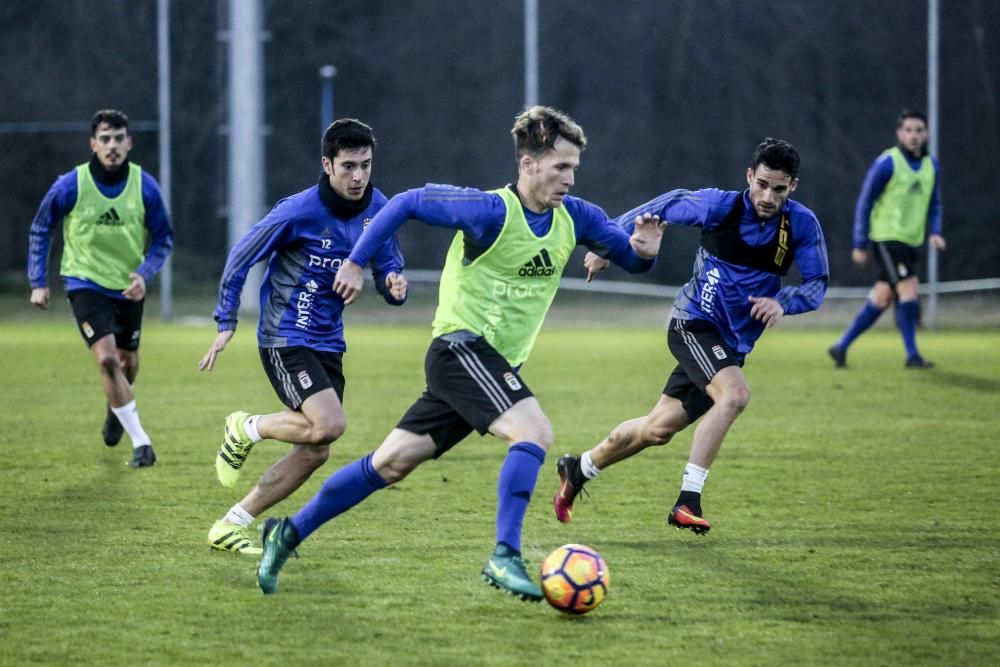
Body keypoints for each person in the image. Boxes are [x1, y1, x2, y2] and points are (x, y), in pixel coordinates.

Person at [254, 105, 665, 600]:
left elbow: (633, 260)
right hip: (459, 349)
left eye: (574, 167)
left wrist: (645, 250)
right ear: (529, 164)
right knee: (533, 432)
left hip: (489, 367)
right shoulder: (488, 211)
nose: (570, 178)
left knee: (390, 464)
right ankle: (505, 555)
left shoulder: (577, 218)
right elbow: (405, 203)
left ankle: (288, 532)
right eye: (561, 166)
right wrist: (358, 262)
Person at [553, 138, 829, 535]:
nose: (768, 196)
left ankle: (578, 468)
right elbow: (663, 206)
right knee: (734, 396)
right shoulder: (720, 206)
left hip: (730, 347)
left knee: (657, 429)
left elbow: (817, 282)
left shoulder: (800, 225)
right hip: (693, 323)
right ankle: (688, 500)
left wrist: (784, 301)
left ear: (793, 187)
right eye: (762, 184)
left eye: (779, 189)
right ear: (749, 176)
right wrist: (608, 243)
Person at [198, 118, 407, 555]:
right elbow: (241, 256)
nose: (358, 176)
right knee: (330, 424)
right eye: (348, 166)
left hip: (329, 342)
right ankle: (246, 427)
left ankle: (231, 523)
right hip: (285, 335)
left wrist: (393, 284)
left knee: (317, 449)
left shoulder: (380, 209)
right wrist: (225, 320)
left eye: (366, 165)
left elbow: (387, 265)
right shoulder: (299, 210)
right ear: (327, 164)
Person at [27, 109, 173, 468]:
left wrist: (144, 273)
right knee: (107, 359)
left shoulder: (145, 186)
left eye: (118, 138)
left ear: (129, 143)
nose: (112, 146)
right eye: (105, 139)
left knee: (128, 364)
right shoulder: (71, 184)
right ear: (93, 144)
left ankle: (116, 410)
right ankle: (141, 442)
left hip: (127, 287)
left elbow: (163, 238)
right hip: (84, 281)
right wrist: (38, 282)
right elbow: (41, 228)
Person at [828, 109, 944, 369]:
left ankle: (841, 346)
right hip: (887, 238)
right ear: (899, 134)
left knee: (882, 297)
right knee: (908, 288)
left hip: (911, 241)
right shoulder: (887, 162)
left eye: (919, 131)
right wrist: (860, 242)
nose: (914, 135)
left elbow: (935, 203)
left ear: (926, 134)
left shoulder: (930, 165)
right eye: (909, 130)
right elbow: (865, 201)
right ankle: (912, 355)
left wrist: (935, 232)